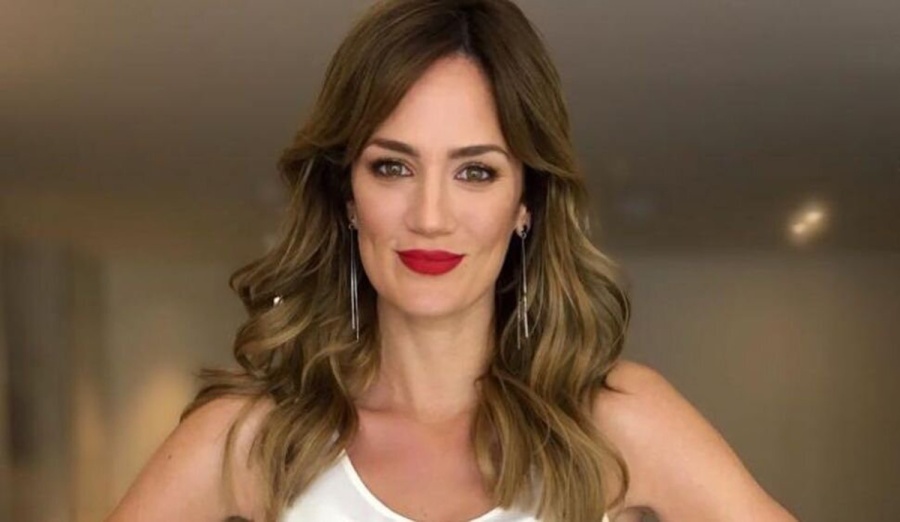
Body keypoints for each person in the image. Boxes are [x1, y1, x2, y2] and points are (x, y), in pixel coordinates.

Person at [105, 0, 798, 521]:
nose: (431, 216)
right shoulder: (251, 438)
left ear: (526, 201)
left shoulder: (616, 422)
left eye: (475, 172)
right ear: (347, 195)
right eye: (392, 167)